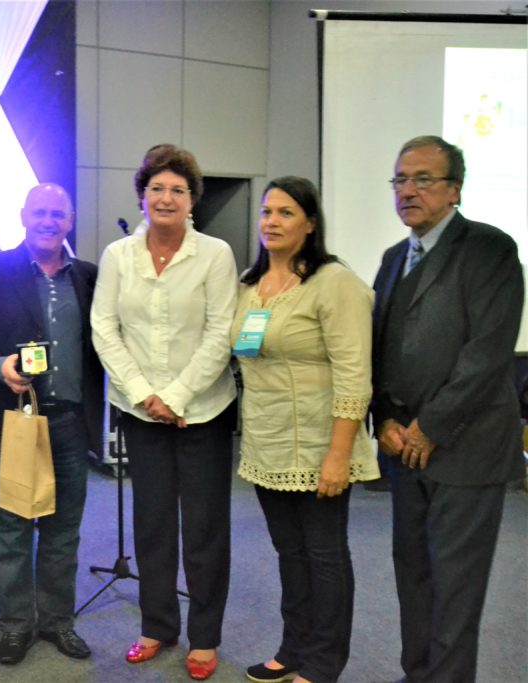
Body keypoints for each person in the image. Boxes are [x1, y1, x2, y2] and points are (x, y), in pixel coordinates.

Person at [372, 135, 524, 683]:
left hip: (466, 449)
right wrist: (385, 418)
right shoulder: (393, 258)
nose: (408, 191)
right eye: (400, 179)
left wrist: (429, 427)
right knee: (413, 578)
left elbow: (486, 354)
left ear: (455, 189)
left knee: (456, 589)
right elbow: (378, 349)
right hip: (403, 450)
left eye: (423, 179)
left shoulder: (490, 249)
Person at [90, 145, 236, 681]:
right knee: (151, 523)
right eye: (157, 188)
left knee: (204, 527)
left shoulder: (215, 254)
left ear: (192, 199)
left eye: (178, 189)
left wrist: (175, 395)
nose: (167, 198)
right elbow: (104, 328)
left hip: (205, 411)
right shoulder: (118, 256)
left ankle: (205, 637)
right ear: (142, 195)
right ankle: (157, 626)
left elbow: (221, 332)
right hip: (140, 410)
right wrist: (143, 393)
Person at [0, 183, 104, 665]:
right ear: (23, 215)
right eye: (40, 212)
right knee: (10, 529)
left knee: (63, 532)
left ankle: (57, 622)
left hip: (69, 422)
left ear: (70, 220)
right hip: (13, 421)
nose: (48, 221)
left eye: (58, 213)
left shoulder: (89, 276)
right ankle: (16, 625)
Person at [230, 177, 379, 683]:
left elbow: (355, 375)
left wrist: (338, 454)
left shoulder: (334, 282)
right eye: (266, 211)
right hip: (267, 443)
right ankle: (293, 648)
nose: (271, 221)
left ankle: (323, 663)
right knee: (289, 554)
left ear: (311, 224)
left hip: (320, 445)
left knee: (325, 556)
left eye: (286, 212)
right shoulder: (248, 285)